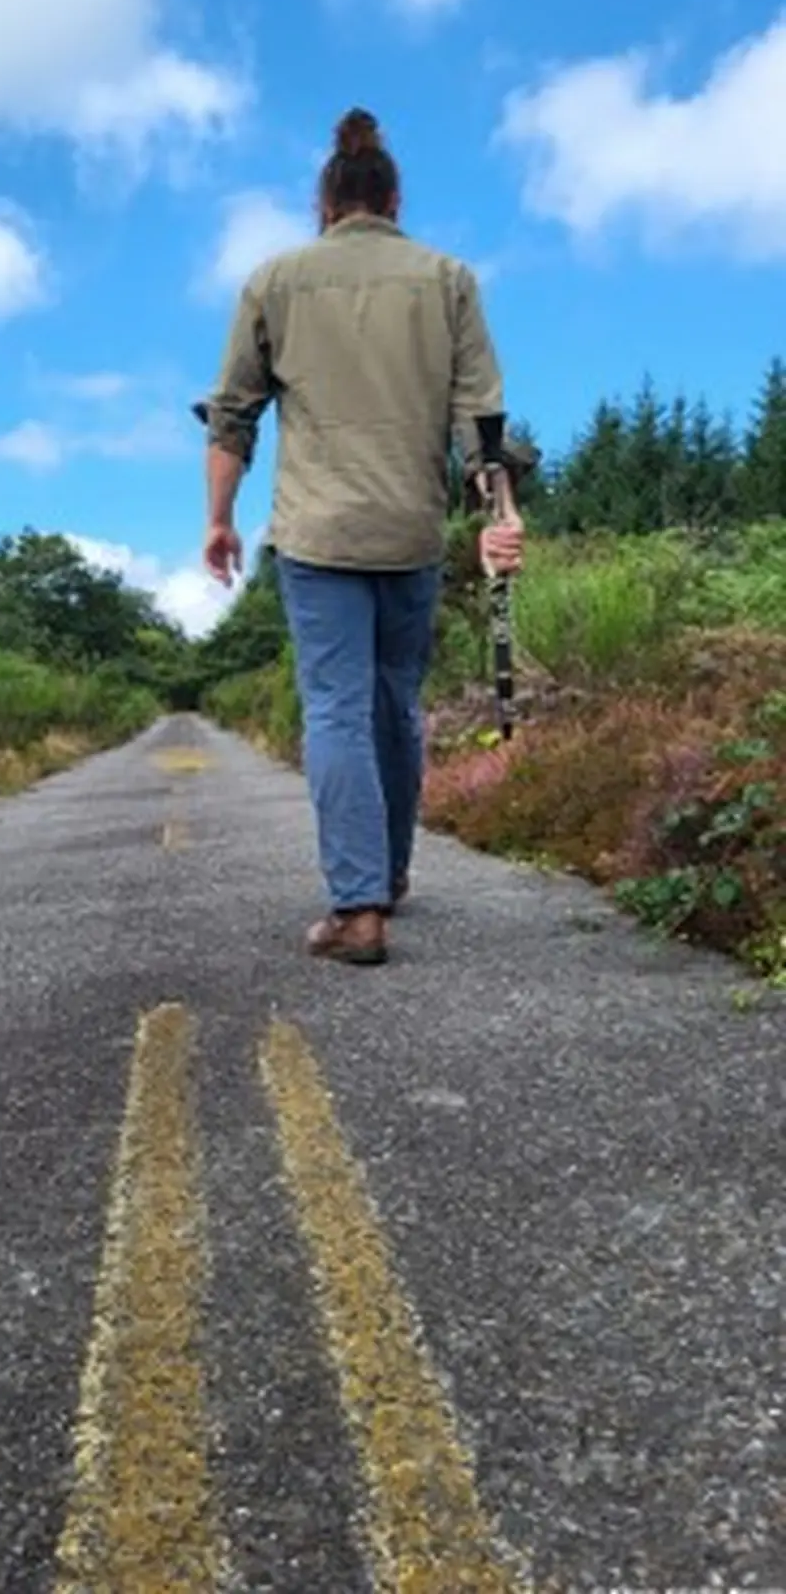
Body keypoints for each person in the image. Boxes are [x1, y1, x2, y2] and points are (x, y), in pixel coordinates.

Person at [196, 106, 525, 966]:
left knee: (337, 708)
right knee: (395, 706)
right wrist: (500, 511)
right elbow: (480, 421)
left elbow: (233, 416)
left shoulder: (275, 279)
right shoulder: (447, 278)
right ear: (394, 196)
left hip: (317, 533)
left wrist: (220, 522)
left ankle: (357, 907)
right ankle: (393, 874)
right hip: (411, 529)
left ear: (326, 201)